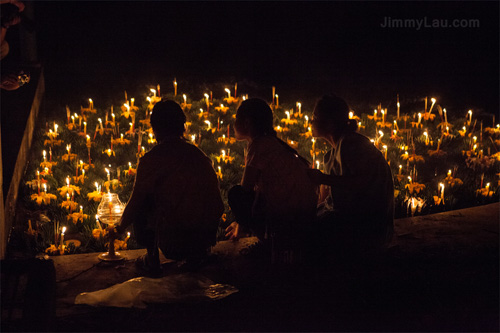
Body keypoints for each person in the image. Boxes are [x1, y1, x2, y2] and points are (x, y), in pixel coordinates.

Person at [110, 100, 224, 275]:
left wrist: (118, 228)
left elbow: (136, 201)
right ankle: (196, 257)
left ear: (155, 128)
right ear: (182, 127)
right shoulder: (199, 156)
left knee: (144, 199)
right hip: (205, 238)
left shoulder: (152, 159)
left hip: (176, 243)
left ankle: (152, 258)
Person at [225, 98, 317, 264]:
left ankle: (268, 243)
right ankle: (270, 239)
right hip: (306, 213)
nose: (233, 124)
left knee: (236, 194)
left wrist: (240, 222)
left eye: (236, 119)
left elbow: (245, 189)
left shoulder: (259, 145)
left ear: (246, 123)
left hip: (288, 217)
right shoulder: (273, 143)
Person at [308, 94, 394, 260]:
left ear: (330, 123)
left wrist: (322, 178)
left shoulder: (353, 144)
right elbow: (326, 200)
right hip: (346, 220)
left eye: (315, 117)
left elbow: (362, 181)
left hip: (367, 227)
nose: (311, 122)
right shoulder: (330, 155)